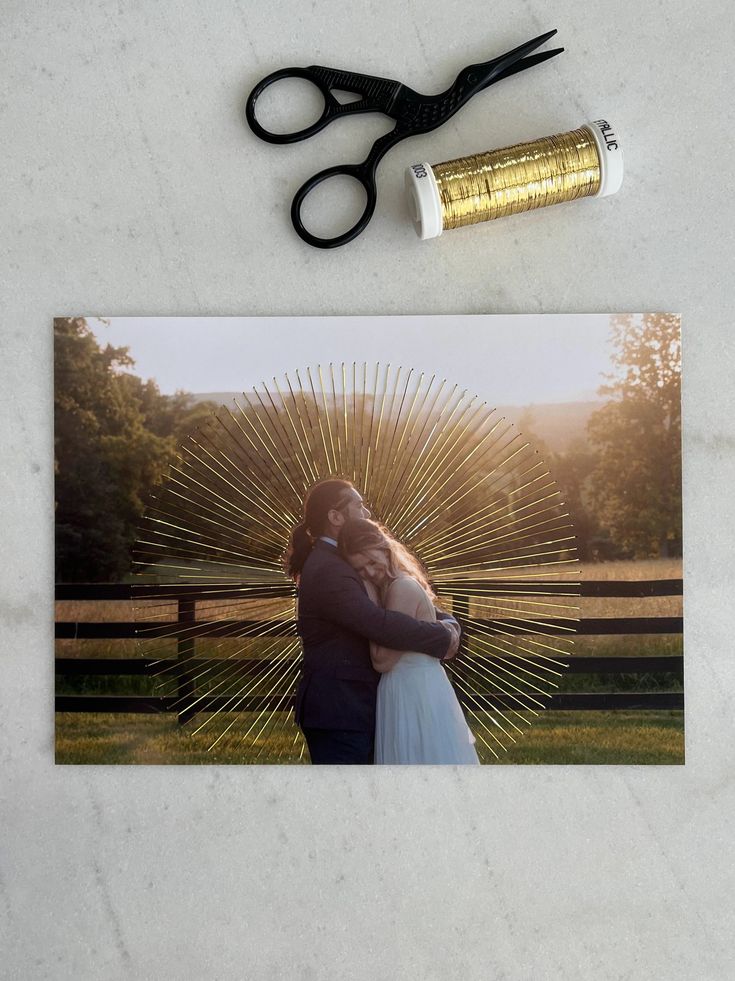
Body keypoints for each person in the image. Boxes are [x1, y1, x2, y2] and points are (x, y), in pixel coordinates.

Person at [285, 478, 461, 765]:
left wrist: (444, 620)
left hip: (352, 706)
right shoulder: (329, 568)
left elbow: (387, 598)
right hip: (340, 710)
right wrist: (441, 635)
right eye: (359, 505)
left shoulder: (340, 559)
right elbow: (377, 621)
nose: (366, 513)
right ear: (335, 516)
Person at [338, 517, 480, 765]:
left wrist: (369, 599)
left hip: (415, 691)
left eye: (372, 562)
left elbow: (382, 660)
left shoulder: (400, 589)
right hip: (408, 687)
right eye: (360, 570)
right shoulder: (392, 587)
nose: (369, 572)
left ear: (384, 548)